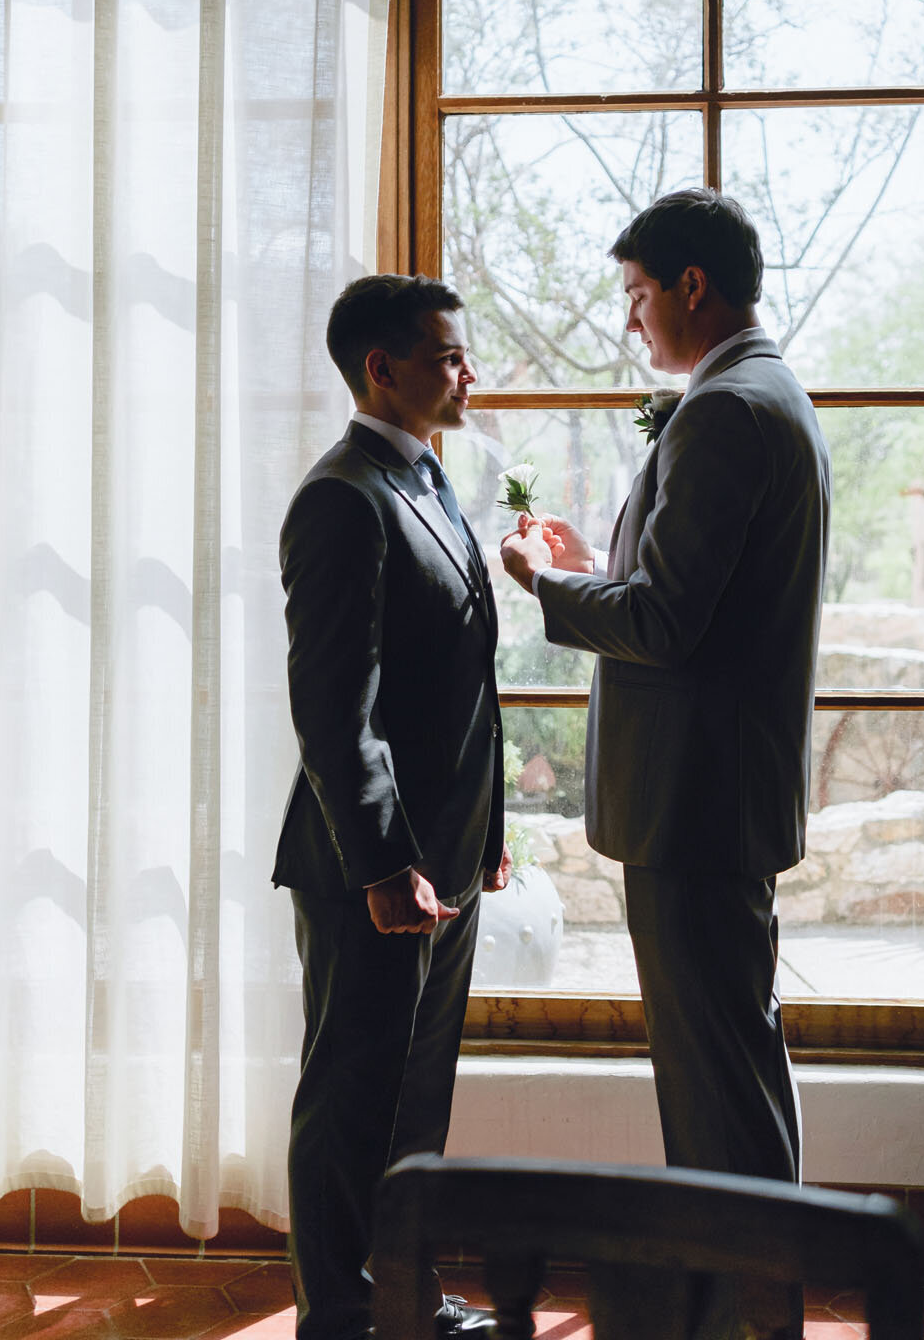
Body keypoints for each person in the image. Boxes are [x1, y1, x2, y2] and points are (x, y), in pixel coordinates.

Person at [501, 189, 831, 1197]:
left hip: (695, 805)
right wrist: (601, 563)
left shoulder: (725, 409)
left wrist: (541, 583)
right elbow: (697, 599)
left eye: (638, 293)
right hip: (720, 798)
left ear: (694, 285)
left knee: (715, 1081)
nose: (631, 317)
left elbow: (664, 624)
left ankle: (741, 1299)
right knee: (736, 1067)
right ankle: (750, 1286)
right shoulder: (767, 393)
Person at [275, 273, 508, 1340]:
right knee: (353, 1096)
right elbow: (335, 708)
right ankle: (339, 1315)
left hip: (446, 858)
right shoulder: (343, 495)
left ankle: (400, 1300)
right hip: (370, 863)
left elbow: (459, 682)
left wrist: (485, 838)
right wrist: (380, 864)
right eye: (450, 355)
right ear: (384, 367)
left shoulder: (425, 477)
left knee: (416, 1097)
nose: (467, 373)